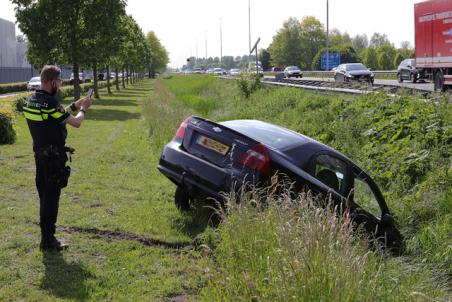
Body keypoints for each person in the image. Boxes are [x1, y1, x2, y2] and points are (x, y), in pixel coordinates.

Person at [23, 65, 92, 252]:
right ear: (53, 81)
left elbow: (53, 117)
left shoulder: (31, 100)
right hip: (53, 159)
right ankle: (48, 242)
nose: (60, 85)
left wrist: (75, 105)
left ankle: (45, 238)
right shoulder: (51, 103)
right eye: (60, 82)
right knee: (51, 199)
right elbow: (76, 123)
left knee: (44, 196)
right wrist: (83, 109)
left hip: (39, 155)